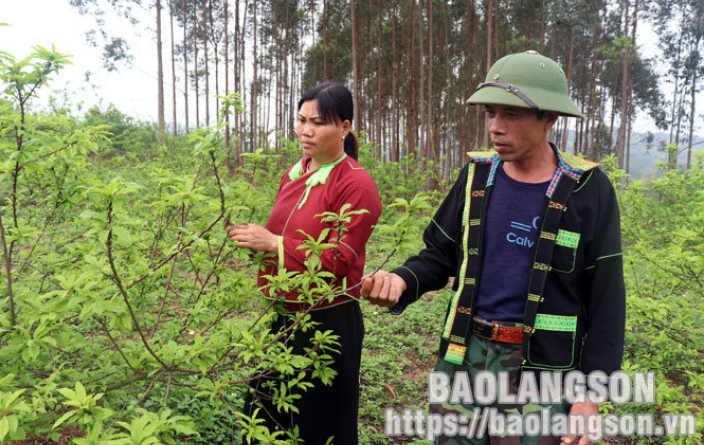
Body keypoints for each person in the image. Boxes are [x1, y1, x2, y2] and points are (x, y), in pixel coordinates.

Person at [361, 51, 625, 445]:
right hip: (464, 357)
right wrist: (400, 281)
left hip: (544, 372)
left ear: (549, 119)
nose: (495, 128)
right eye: (490, 114)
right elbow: (439, 254)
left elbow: (607, 299)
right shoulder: (477, 177)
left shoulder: (588, 190)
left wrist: (590, 397)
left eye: (512, 115)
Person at [228, 82, 382, 445]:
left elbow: (338, 259)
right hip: (281, 314)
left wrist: (274, 243)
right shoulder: (296, 172)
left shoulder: (356, 185)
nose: (305, 130)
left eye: (318, 122)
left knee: (319, 423)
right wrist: (255, 244)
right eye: (301, 120)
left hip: (328, 320)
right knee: (266, 415)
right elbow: (280, 234)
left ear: (344, 127)